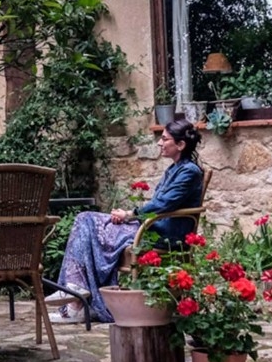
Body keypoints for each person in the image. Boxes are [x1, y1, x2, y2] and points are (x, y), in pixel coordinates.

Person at [49, 117, 205, 324]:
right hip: (152, 225)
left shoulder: (189, 172)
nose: (159, 143)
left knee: (88, 223)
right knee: (85, 219)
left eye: (165, 139)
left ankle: (77, 299)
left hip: (164, 234)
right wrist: (127, 215)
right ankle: (76, 291)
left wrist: (129, 215)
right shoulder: (174, 169)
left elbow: (163, 204)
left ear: (181, 145)